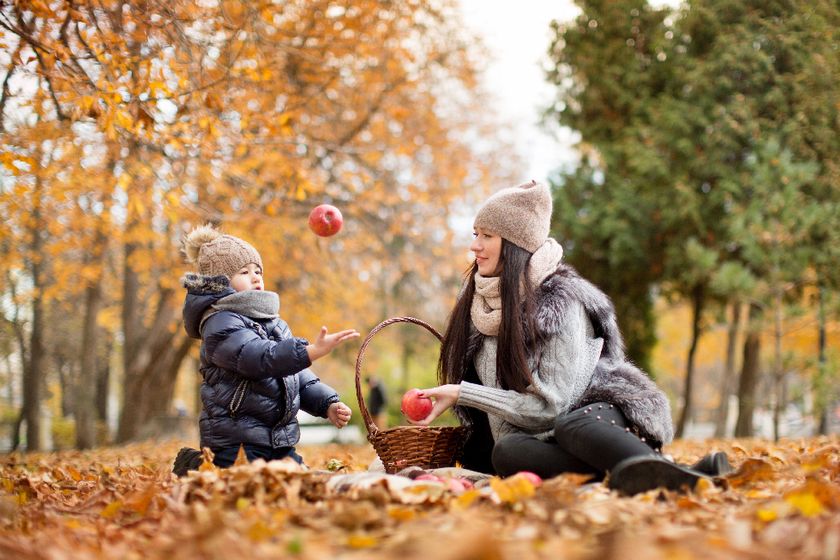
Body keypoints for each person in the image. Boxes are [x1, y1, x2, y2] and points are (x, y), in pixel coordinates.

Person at [410, 181, 731, 495]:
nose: (474, 246)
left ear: (514, 243)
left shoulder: (560, 302)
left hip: (601, 413)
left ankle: (679, 475)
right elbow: (504, 424)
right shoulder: (480, 305)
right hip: (548, 435)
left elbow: (554, 407)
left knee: (573, 425)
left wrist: (462, 393)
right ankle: (634, 473)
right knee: (507, 452)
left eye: (487, 236)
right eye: (475, 234)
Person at [172, 225, 359, 476]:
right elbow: (258, 358)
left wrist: (326, 403)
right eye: (244, 272)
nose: (256, 277)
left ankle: (208, 468)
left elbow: (295, 377)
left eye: (258, 271)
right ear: (221, 283)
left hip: (277, 439)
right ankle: (196, 465)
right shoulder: (219, 322)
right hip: (236, 440)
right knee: (246, 484)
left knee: (300, 480)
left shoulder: (274, 323)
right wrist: (309, 352)